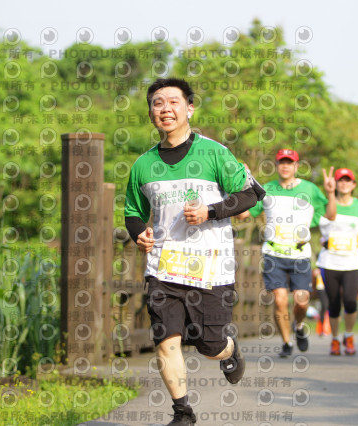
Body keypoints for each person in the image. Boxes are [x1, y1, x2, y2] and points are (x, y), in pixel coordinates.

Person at [124, 77, 262, 425]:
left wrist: (210, 212)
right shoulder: (143, 165)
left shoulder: (214, 152)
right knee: (166, 341)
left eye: (173, 102)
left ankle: (228, 350)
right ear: (151, 112)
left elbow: (250, 195)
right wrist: (139, 234)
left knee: (208, 344)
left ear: (189, 108)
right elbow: (132, 213)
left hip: (211, 269)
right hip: (163, 269)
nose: (165, 109)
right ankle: (182, 412)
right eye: (158, 103)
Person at [236, 149, 335, 357]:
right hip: (273, 254)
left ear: (296, 166)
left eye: (290, 162)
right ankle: (286, 342)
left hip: (300, 255)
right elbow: (244, 214)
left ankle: (299, 327)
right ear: (277, 165)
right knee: (280, 300)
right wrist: (243, 184)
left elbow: (330, 215)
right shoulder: (267, 188)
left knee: (301, 300)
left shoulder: (310, 189)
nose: (286, 166)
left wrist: (331, 193)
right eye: (282, 162)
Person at [316, 167, 358, 356]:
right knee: (334, 303)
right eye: (341, 180)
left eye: (348, 180)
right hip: (329, 262)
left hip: (351, 262)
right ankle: (335, 339)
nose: (344, 183)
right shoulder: (325, 204)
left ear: (354, 184)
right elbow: (321, 219)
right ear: (336, 183)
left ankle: (349, 335)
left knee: (350, 301)